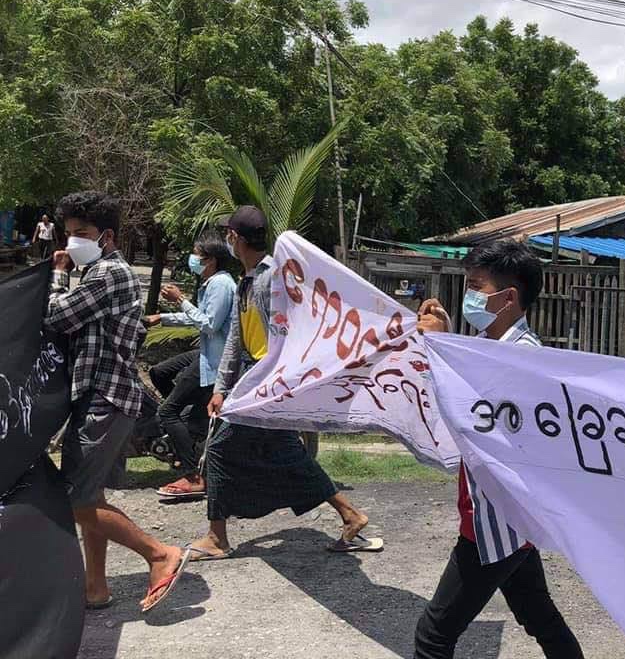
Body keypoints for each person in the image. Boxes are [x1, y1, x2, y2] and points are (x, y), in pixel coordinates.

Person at [414, 239, 584, 659]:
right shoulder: (491, 348)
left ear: (509, 297)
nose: (469, 294)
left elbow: (472, 415)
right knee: (538, 614)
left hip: (496, 520)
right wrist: (448, 342)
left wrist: (437, 348)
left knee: (433, 635)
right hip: (513, 519)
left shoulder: (522, 358)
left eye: (476, 286)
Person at [186, 206, 383, 562]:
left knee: (218, 450)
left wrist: (272, 384)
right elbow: (236, 338)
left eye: (229, 234)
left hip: (268, 384)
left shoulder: (270, 279)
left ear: (237, 238)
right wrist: (220, 387)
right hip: (254, 381)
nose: (227, 239)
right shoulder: (247, 279)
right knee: (287, 453)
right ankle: (351, 515)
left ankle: (217, 538)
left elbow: (286, 337)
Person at [45, 191, 189, 613]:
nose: (72, 243)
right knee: (92, 496)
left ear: (106, 235)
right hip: (109, 397)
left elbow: (57, 316)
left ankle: (159, 554)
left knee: (75, 500)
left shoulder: (109, 274)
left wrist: (56, 275)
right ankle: (95, 587)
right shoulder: (100, 272)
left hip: (104, 399)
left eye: (81, 234)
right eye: (68, 234)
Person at [144, 233, 236, 498]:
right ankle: (188, 425)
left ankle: (192, 474)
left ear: (211, 260)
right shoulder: (210, 282)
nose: (192, 258)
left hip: (214, 360)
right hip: (204, 352)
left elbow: (209, 323)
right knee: (158, 372)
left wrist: (179, 299)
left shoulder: (220, 284)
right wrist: (161, 317)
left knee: (166, 412)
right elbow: (196, 318)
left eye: (197, 254)